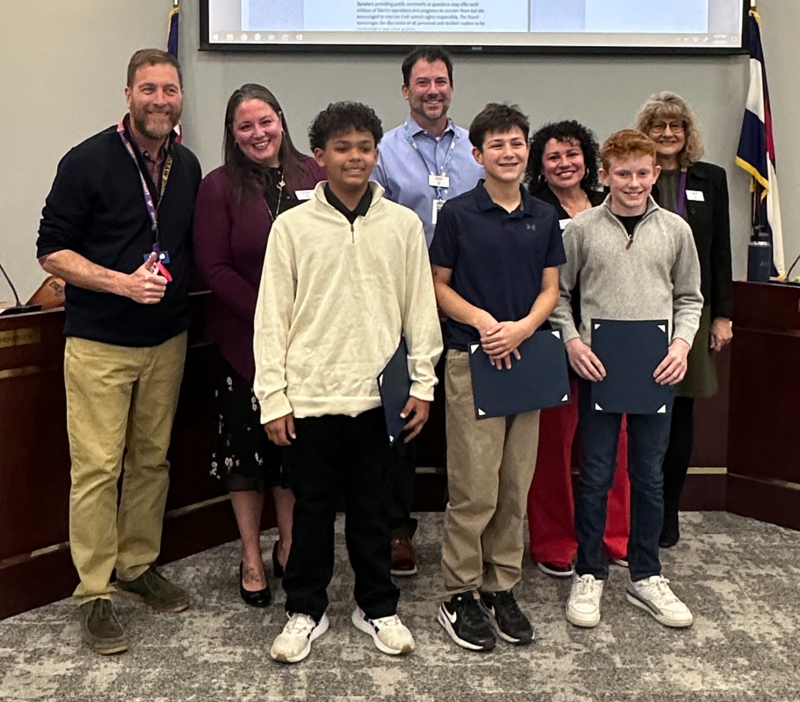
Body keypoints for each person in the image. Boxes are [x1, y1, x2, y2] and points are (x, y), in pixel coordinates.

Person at [253, 101, 443, 663]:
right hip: (309, 395)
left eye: (364, 147)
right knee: (310, 510)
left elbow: (420, 311)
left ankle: (376, 607)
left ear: (375, 153)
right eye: (342, 148)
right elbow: (272, 317)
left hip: (379, 399)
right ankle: (304, 611)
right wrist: (274, 396)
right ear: (320, 157)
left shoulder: (403, 225)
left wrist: (422, 383)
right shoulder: (291, 226)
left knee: (374, 509)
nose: (354, 157)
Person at [36, 49, 202, 654]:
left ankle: (136, 566)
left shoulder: (186, 165)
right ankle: (94, 590)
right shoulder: (86, 161)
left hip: (168, 340)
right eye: (149, 89)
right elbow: (51, 252)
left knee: (152, 461)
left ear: (181, 97)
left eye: (170, 89)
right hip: (101, 342)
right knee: (100, 468)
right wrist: (122, 283)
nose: (160, 99)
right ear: (128, 94)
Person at [551, 129, 702, 630]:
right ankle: (590, 571)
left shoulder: (677, 231)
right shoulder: (582, 230)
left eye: (643, 173)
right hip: (598, 372)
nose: (633, 183)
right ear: (604, 176)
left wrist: (680, 345)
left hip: (657, 372)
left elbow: (689, 299)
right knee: (595, 475)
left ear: (656, 172)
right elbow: (559, 297)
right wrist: (573, 341)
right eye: (623, 174)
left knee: (649, 476)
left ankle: (646, 573)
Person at [430, 103, 566, 652]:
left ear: (525, 150)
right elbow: (437, 285)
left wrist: (523, 328)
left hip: (527, 358)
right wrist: (487, 323)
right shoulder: (459, 214)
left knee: (515, 485)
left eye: (517, 143)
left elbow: (551, 289)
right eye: (497, 145)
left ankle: (501, 584)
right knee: (474, 490)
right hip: (473, 360)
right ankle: (458, 591)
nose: (508, 153)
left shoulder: (542, 214)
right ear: (477, 154)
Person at [193, 84, 326, 606]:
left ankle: (290, 545)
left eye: (265, 121)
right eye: (245, 126)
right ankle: (251, 553)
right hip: (243, 345)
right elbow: (214, 268)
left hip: (308, 344)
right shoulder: (218, 186)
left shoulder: (313, 177)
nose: (258, 134)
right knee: (245, 457)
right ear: (233, 133)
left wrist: (302, 322)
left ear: (281, 120)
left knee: (291, 453)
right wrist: (271, 317)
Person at [371, 46, 484, 576]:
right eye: (422, 82)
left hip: (468, 298)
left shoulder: (476, 150)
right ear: (405, 91)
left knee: (471, 419)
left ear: (451, 88)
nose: (432, 90)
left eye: (441, 81)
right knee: (405, 419)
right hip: (403, 301)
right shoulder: (385, 151)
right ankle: (398, 530)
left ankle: (474, 533)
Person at [524, 120, 630, 578]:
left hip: (611, 341)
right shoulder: (533, 211)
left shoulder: (613, 207)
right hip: (553, 340)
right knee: (553, 447)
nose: (564, 164)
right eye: (553, 157)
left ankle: (614, 536)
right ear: (540, 167)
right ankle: (554, 541)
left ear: (587, 159)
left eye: (572, 154)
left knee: (615, 445)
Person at [634, 92, 733, 548]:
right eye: (658, 126)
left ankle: (667, 511)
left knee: (682, 415)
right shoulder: (635, 177)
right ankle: (638, 510)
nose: (668, 133)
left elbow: (720, 251)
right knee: (641, 408)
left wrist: (723, 315)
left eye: (676, 126)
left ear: (688, 133)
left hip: (694, 311)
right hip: (641, 309)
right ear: (645, 133)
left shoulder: (710, 179)